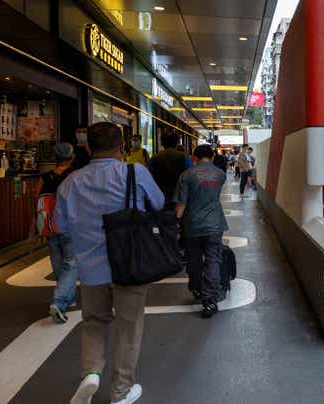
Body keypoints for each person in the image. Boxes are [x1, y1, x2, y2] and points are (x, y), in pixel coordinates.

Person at [55, 122, 165, 404]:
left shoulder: (70, 181)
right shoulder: (135, 172)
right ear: (123, 147)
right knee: (129, 327)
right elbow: (158, 201)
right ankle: (121, 392)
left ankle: (91, 372)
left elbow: (60, 226)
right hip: (130, 265)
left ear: (88, 147)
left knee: (94, 321)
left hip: (91, 270)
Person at [174, 145, 229, 318]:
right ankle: (210, 300)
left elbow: (181, 204)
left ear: (193, 158)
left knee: (193, 259)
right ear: (212, 157)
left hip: (192, 225)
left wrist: (175, 222)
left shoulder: (186, 175)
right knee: (213, 260)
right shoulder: (220, 175)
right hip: (214, 224)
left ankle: (196, 288)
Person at [30, 143, 78, 323]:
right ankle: (59, 300)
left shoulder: (44, 178)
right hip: (69, 226)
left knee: (58, 263)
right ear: (72, 157)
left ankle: (69, 297)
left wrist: (33, 231)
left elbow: (36, 204)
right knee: (72, 264)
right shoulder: (74, 175)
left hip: (49, 227)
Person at [148, 131, 192, 209]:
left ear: (162, 143)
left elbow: (149, 176)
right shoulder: (184, 157)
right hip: (179, 195)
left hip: (160, 194)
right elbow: (191, 173)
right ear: (176, 143)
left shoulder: (155, 158)